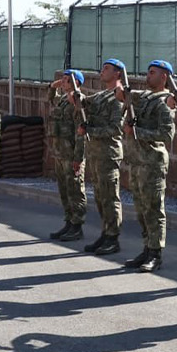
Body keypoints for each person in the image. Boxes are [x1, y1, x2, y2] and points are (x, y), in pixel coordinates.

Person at [121, 60, 175, 272]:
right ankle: (146, 247)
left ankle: (156, 253)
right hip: (137, 161)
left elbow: (166, 134)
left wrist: (136, 133)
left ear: (164, 77)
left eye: (153, 73)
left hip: (152, 161)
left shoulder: (166, 101)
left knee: (153, 209)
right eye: (148, 71)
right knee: (141, 209)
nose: (147, 76)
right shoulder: (143, 98)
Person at [78, 59, 127, 255]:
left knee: (109, 197)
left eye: (107, 69)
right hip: (96, 153)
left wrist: (91, 129)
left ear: (117, 74)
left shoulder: (118, 97)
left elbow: (115, 129)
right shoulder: (101, 96)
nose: (102, 71)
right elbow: (82, 103)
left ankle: (113, 237)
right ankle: (105, 233)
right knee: (100, 197)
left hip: (108, 154)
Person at [46, 70, 87, 241]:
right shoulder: (63, 100)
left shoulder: (78, 101)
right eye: (62, 79)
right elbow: (51, 98)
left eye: (67, 80)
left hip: (71, 155)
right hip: (61, 154)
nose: (63, 82)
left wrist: (78, 158)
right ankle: (69, 222)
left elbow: (81, 132)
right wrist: (52, 86)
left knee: (75, 191)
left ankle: (77, 226)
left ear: (76, 82)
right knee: (64, 191)